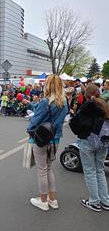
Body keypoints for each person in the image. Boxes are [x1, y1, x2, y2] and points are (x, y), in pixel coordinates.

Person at [27, 75, 68, 211]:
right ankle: (53, 199)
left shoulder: (45, 102)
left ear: (48, 86)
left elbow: (34, 122)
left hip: (41, 139)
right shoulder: (64, 102)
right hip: (55, 139)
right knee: (49, 168)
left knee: (42, 170)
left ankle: (43, 201)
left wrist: (29, 129)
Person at [74, 84, 109, 212]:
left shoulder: (88, 106)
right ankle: (105, 201)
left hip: (88, 141)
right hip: (103, 142)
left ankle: (94, 202)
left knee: (90, 172)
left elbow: (77, 123)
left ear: (86, 94)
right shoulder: (105, 105)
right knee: (99, 171)